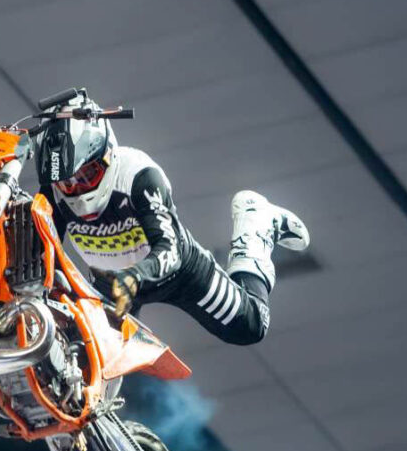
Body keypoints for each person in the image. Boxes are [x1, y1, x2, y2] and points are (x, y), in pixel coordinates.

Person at [35, 94, 309, 345]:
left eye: (87, 175)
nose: (77, 190)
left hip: (177, 274)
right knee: (82, 352)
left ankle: (255, 222)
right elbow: (42, 255)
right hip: (111, 284)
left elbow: (171, 250)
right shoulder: (52, 193)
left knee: (250, 326)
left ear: (107, 154)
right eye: (66, 183)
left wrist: (136, 276)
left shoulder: (139, 176)